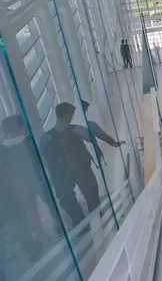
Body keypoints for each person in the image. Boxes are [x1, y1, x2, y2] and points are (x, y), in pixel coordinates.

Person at [0, 116, 56, 270]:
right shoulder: (29, 141)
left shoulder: (4, 147)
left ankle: (25, 244)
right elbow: (42, 159)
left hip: (13, 190)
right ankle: (42, 237)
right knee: (38, 209)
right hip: (33, 181)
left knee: (21, 216)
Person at [41, 102, 101, 228]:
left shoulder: (46, 137)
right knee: (91, 194)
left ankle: (79, 222)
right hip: (81, 167)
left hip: (60, 173)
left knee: (66, 198)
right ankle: (97, 219)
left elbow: (44, 157)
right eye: (71, 115)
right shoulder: (76, 129)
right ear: (68, 115)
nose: (72, 117)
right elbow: (92, 137)